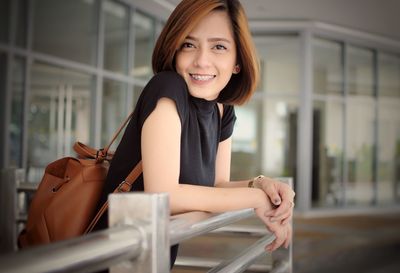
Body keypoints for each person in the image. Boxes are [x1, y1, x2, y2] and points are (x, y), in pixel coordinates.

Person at [94, 0, 295, 269]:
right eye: (188, 44)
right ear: (174, 51)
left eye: (219, 47)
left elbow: (217, 186)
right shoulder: (167, 88)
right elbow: (163, 194)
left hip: (154, 256)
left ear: (238, 61)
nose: (201, 60)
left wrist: (263, 187)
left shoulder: (223, 110)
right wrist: (256, 200)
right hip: (113, 257)